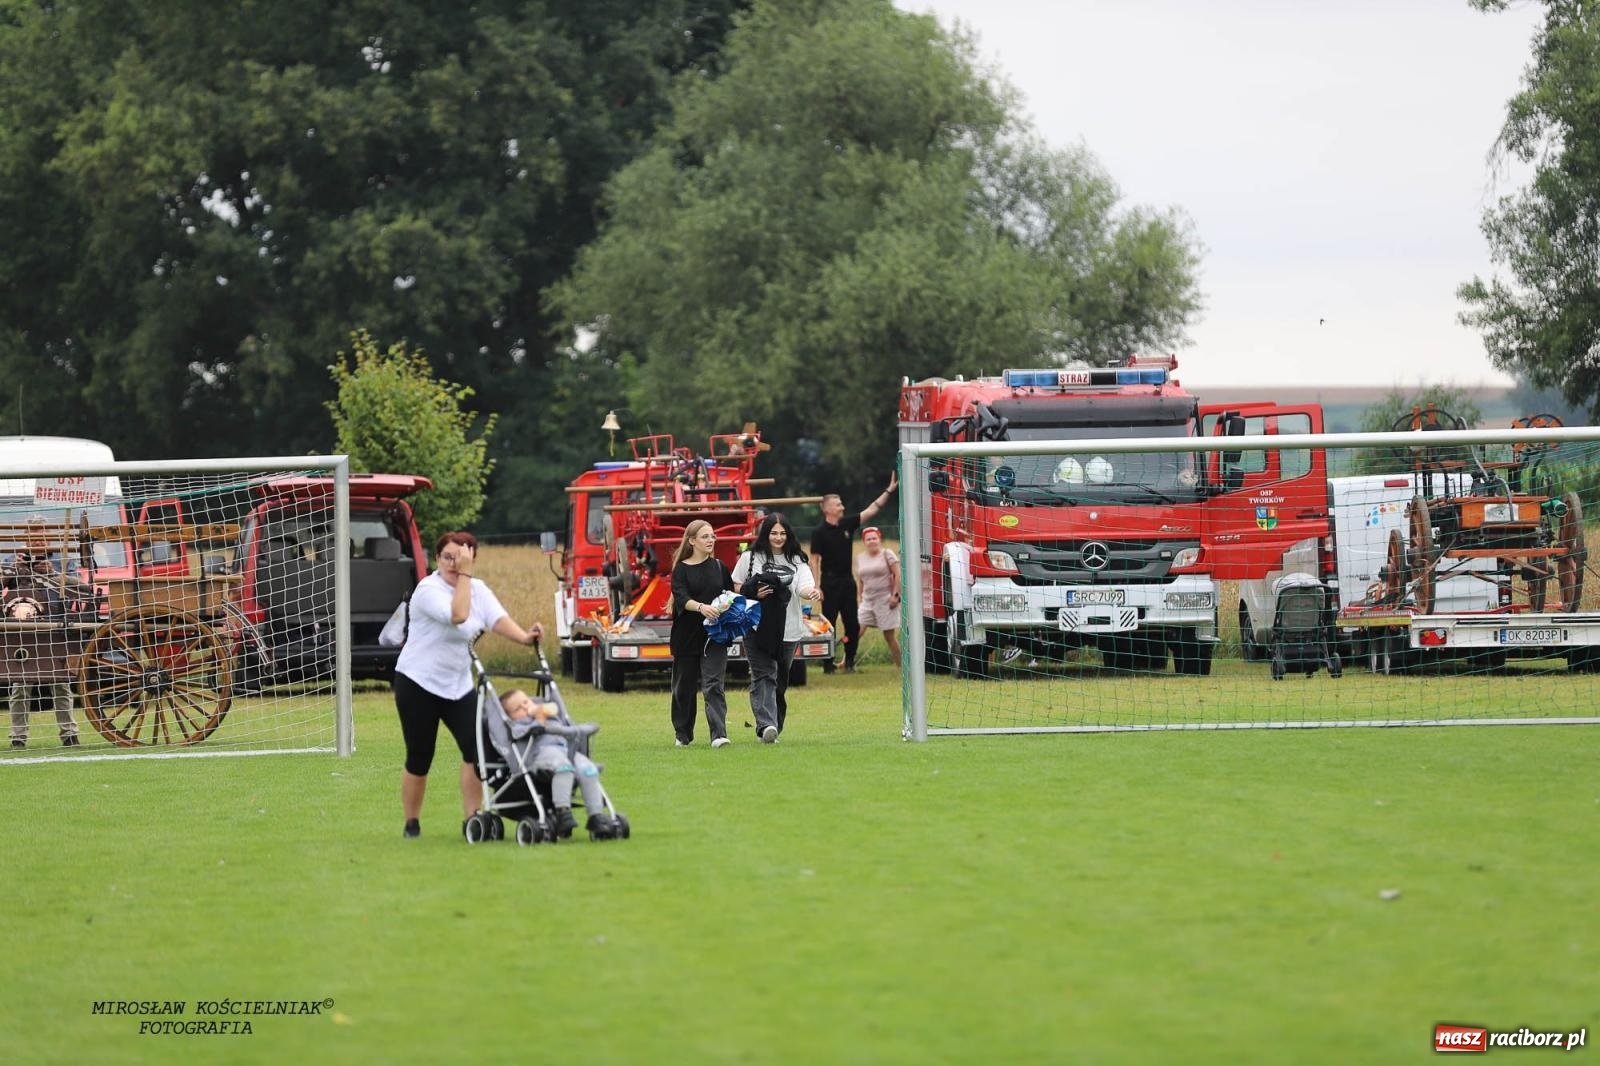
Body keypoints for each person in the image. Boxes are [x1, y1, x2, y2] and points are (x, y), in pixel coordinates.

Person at [393, 531, 544, 839]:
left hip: (458, 685)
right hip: (417, 682)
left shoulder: (478, 589)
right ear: (438, 559)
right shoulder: (428, 589)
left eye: (460, 558)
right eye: (448, 557)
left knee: (478, 752)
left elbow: (496, 619)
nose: (453, 563)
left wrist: (525, 638)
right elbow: (459, 615)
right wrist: (464, 574)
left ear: (473, 558)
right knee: (420, 756)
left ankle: (473, 819)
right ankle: (412, 823)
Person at [732, 512, 822, 743]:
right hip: (756, 627)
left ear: (788, 534)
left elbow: (804, 585)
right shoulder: (751, 557)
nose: (778, 537)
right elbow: (736, 584)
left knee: (779, 681)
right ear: (766, 533)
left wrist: (810, 592)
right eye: (774, 533)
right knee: (764, 675)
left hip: (789, 629)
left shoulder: (797, 560)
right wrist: (751, 591)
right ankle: (766, 725)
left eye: (782, 533)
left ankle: (774, 727)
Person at [7, 520, 88, 749]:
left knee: (60, 682)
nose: (38, 540)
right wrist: (13, 569)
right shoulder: (12, 558)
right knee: (20, 683)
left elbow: (81, 586)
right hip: (19, 627)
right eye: (33, 536)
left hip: (54, 624)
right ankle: (18, 737)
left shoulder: (62, 559)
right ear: (25, 538)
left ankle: (69, 734)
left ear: (50, 538)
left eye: (42, 535)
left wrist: (53, 574)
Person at [810, 471, 896, 673]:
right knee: (828, 625)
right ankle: (827, 664)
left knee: (852, 626)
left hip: (847, 582)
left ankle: (849, 662)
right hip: (829, 585)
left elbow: (872, 510)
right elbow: (814, 560)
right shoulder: (818, 533)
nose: (842, 506)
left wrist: (888, 491)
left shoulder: (847, 524)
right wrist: (816, 586)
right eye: (838, 504)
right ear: (827, 509)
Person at [499, 688, 613, 838]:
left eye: (526, 702)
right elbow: (524, 734)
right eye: (518, 708)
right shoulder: (517, 726)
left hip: (566, 752)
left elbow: (565, 728)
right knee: (564, 768)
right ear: (510, 716)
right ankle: (562, 812)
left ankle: (596, 815)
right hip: (541, 756)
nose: (525, 708)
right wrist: (538, 719)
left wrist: (549, 716)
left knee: (589, 770)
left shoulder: (551, 717)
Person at [669, 520, 732, 747]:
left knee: (714, 685)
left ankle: (719, 735)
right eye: (705, 537)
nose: (711, 540)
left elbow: (729, 596)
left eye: (712, 536)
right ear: (692, 541)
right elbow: (681, 597)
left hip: (715, 637)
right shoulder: (681, 570)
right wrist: (702, 607)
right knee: (684, 688)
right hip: (686, 637)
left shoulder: (719, 567)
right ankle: (683, 735)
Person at [853, 526, 902, 667]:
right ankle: (847, 662)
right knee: (856, 631)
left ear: (879, 539)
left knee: (889, 636)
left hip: (885, 600)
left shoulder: (887, 554)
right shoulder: (860, 558)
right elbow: (860, 579)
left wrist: (895, 596)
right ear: (864, 541)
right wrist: (860, 598)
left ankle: (900, 665)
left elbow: (897, 574)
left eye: (874, 538)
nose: (872, 541)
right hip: (867, 601)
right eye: (868, 539)